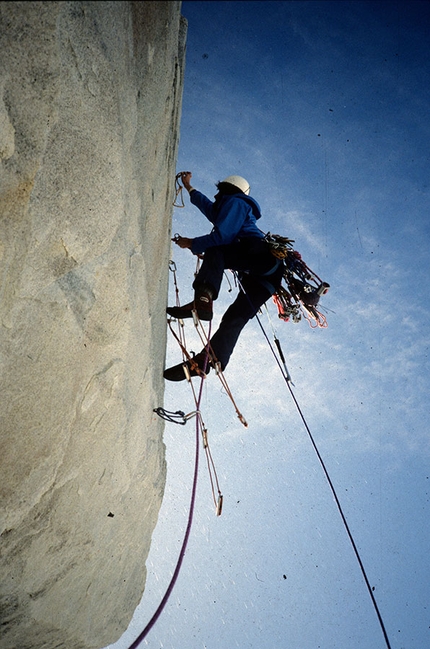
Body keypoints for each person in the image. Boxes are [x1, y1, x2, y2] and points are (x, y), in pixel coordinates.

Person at [163, 171, 284, 381]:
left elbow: (222, 236)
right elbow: (208, 208)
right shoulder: (229, 207)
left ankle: (202, 300)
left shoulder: (236, 202)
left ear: (225, 189)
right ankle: (209, 359)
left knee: (216, 248)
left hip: (259, 257)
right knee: (235, 317)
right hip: (268, 277)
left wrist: (192, 243)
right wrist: (189, 187)